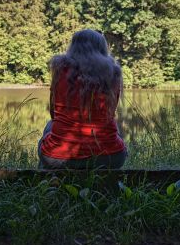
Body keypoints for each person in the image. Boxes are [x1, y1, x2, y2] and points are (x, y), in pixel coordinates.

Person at [38, 29, 126, 169]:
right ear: (102, 48)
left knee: (50, 126)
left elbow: (53, 112)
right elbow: (110, 113)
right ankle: (109, 186)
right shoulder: (113, 74)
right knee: (115, 132)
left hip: (57, 158)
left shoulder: (61, 70)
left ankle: (47, 185)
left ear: (73, 47)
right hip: (110, 157)